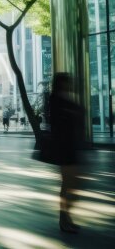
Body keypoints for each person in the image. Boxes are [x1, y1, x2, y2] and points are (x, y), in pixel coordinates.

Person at [45, 73, 84, 234]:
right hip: (64, 148)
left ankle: (66, 218)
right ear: (62, 83)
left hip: (68, 147)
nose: (71, 84)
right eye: (68, 82)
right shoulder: (56, 99)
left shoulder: (63, 98)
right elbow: (58, 122)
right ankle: (64, 219)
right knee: (69, 184)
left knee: (70, 184)